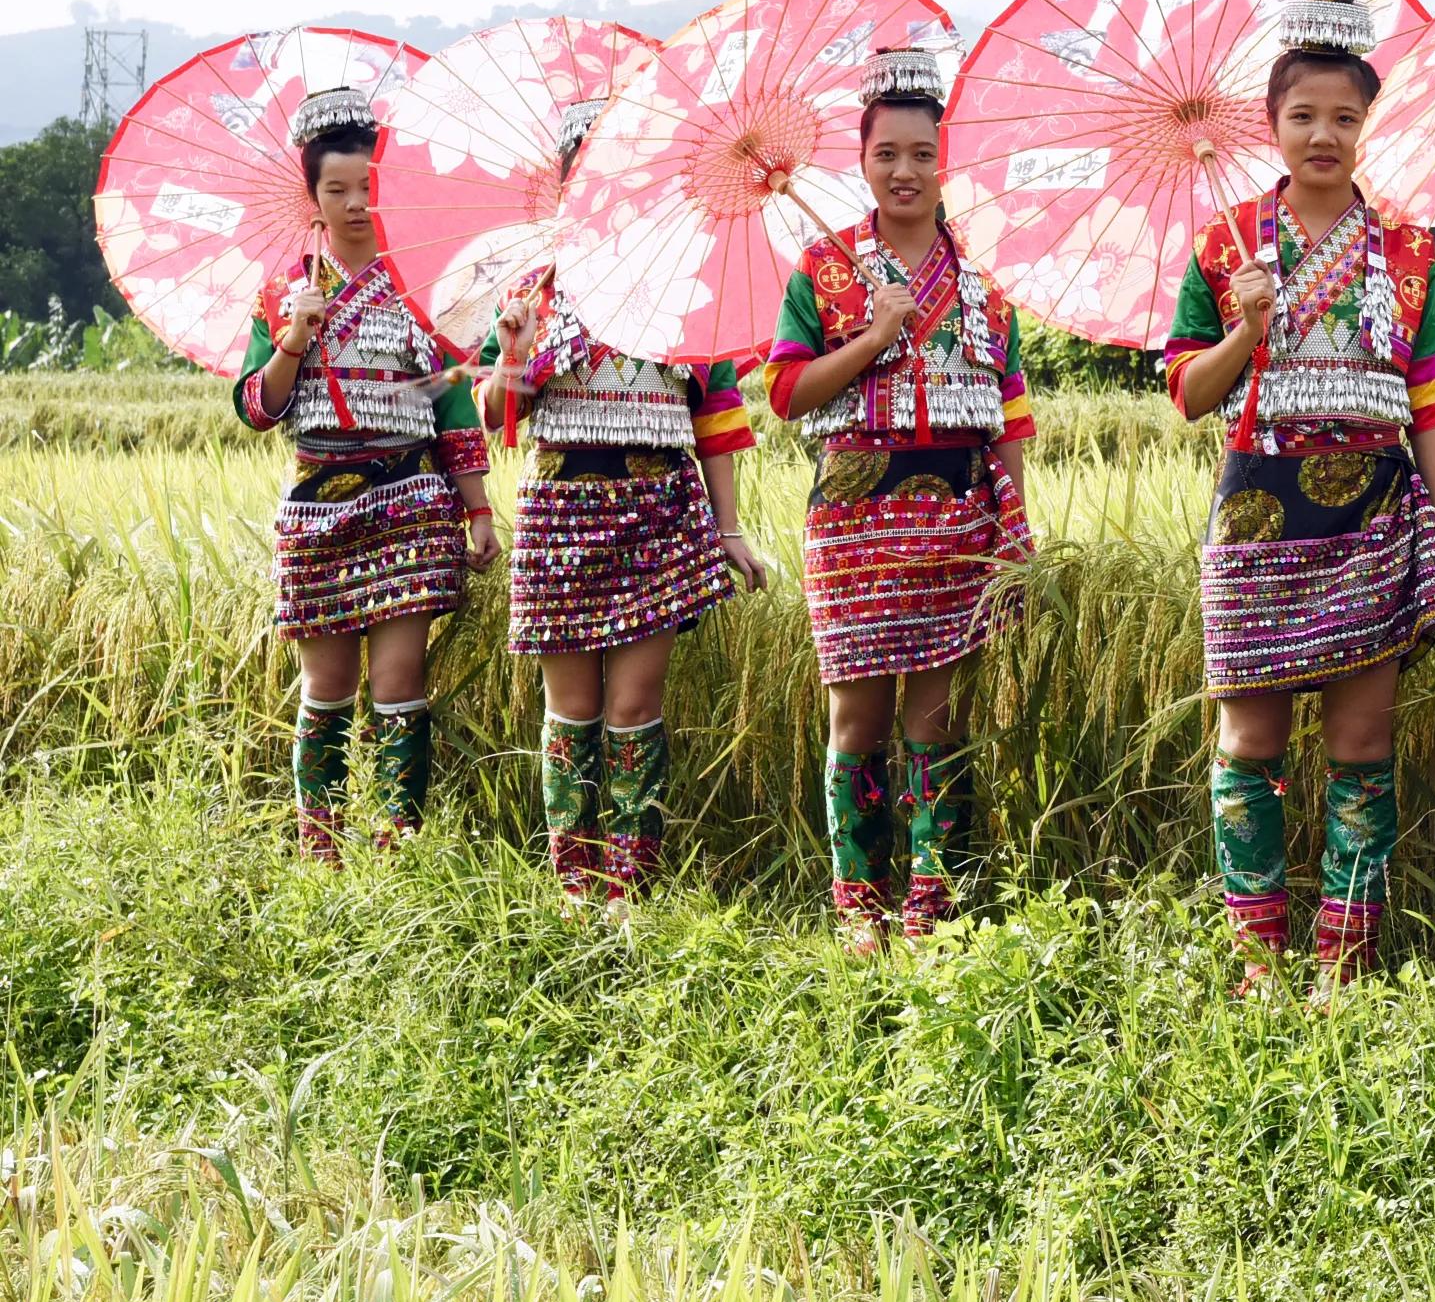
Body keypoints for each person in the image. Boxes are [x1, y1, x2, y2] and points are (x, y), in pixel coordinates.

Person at [1160, 0, 1435, 991]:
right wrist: (1245, 327)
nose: (1324, 135)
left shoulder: (1410, 252)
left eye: (1344, 116)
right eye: (1304, 115)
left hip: (1374, 515)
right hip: (1258, 512)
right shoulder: (1223, 246)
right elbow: (1188, 395)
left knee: (1362, 738)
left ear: (1367, 124)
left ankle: (1347, 966)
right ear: (1271, 122)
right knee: (1249, 738)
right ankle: (1258, 959)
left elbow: (1434, 409)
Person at [766, 46, 1035, 953]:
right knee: (857, 717)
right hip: (854, 519)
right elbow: (786, 392)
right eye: (887, 153)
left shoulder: (986, 282)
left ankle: (931, 908)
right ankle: (858, 907)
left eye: (923, 153)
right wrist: (873, 335)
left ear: (945, 159)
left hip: (959, 516)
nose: (905, 170)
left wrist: (1018, 528)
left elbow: (1009, 414)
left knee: (936, 718)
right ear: (861, 159)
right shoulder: (824, 269)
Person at [481, 90, 767, 907]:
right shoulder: (535, 290)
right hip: (559, 514)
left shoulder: (689, 283)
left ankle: (629, 889)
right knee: (571, 705)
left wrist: (730, 529)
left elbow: (716, 418)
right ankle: (575, 885)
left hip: (659, 509)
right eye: (588, 175)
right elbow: (498, 416)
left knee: (636, 701)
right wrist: (510, 354)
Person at [234, 84, 499, 859]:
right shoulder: (282, 294)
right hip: (318, 508)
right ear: (312, 197)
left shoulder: (424, 291)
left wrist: (479, 509)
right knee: (325, 689)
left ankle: (395, 848)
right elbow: (256, 408)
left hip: (411, 502)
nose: (355, 204)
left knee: (398, 681)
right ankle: (321, 850)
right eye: (337, 189)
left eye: (368, 188)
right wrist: (293, 337)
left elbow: (454, 406)